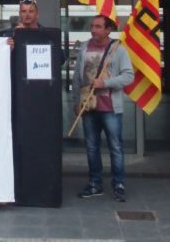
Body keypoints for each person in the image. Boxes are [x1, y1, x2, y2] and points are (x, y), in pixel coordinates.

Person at [72, 15, 134, 202]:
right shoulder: (84, 47)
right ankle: (95, 184)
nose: (93, 30)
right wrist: (76, 101)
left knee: (115, 147)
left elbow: (128, 76)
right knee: (92, 147)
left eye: (98, 26)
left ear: (108, 30)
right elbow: (77, 77)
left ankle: (119, 184)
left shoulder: (118, 50)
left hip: (110, 109)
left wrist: (105, 82)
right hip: (88, 107)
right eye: (92, 26)